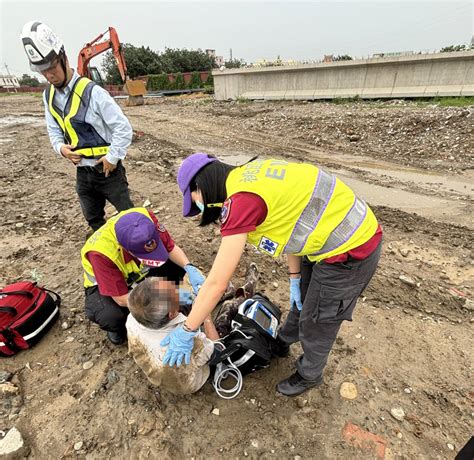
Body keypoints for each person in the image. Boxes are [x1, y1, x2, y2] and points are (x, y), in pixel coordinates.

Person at [160, 153, 383, 397]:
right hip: (324, 235)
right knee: (303, 301)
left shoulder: (241, 203)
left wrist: (188, 329)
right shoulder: (248, 175)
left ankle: (310, 374)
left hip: (351, 246)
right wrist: (295, 276)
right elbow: (291, 223)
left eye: (195, 199)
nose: (198, 206)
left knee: (318, 320)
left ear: (200, 185)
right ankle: (284, 340)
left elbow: (216, 283)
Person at [21, 21, 134, 231]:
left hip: (108, 171)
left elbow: (123, 128)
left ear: (63, 57)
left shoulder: (94, 93)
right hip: (83, 173)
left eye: (52, 67)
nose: (49, 75)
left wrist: (112, 157)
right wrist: (61, 149)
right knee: (94, 220)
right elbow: (54, 131)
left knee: (130, 218)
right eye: (43, 71)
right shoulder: (49, 96)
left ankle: (145, 255)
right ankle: (109, 255)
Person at [126, 264, 260, 395]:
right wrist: (205, 314)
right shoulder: (191, 341)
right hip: (190, 382)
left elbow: (171, 303)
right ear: (172, 313)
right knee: (226, 313)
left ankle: (219, 292)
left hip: (157, 374)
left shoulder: (133, 318)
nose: (176, 287)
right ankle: (244, 291)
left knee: (188, 299)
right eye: (175, 292)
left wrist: (193, 298)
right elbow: (217, 348)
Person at [81, 207, 205, 345]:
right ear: (126, 249)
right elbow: (120, 299)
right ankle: (119, 328)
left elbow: (170, 248)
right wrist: (166, 300)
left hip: (139, 273)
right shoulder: (101, 253)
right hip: (109, 287)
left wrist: (189, 267)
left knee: (177, 270)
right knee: (111, 316)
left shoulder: (145, 219)